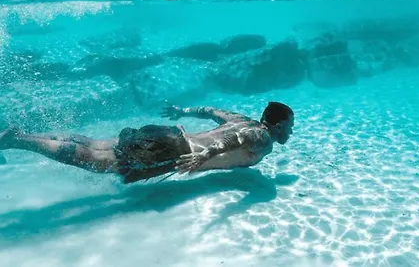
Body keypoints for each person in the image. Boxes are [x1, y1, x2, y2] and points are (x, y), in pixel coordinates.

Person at [0, 102, 294, 184]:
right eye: (290, 128)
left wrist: (182, 111)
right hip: (175, 151)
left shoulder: (241, 118)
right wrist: (204, 156)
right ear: (278, 125)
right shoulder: (263, 138)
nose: (290, 134)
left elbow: (209, 111)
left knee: (96, 144)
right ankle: (18, 141)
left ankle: (21, 136)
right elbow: (235, 140)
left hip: (170, 135)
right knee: (94, 159)